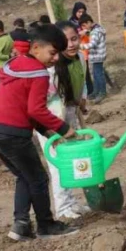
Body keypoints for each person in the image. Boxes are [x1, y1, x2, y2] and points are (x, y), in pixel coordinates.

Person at [0, 24, 80, 241]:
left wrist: (48, 132)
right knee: (39, 178)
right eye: (52, 53)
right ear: (35, 49)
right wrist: (64, 129)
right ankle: (46, 225)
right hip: (14, 132)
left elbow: (26, 108)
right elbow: (36, 109)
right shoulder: (39, 73)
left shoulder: (17, 65)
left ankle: (21, 225)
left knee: (24, 176)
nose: (55, 59)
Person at [39, 22, 90, 221]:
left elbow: (83, 81)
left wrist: (82, 99)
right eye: (65, 40)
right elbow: (42, 99)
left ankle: (71, 201)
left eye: (74, 38)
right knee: (57, 163)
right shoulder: (50, 68)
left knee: (70, 161)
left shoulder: (79, 58)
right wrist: (52, 126)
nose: (71, 44)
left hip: (70, 111)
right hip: (50, 118)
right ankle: (62, 207)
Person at [81, 15, 108, 102]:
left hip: (97, 56)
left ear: (89, 22)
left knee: (99, 75)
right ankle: (96, 91)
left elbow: (92, 44)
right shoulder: (94, 30)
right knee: (96, 75)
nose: (84, 28)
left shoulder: (95, 32)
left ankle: (102, 92)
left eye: (84, 25)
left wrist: (80, 46)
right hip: (96, 56)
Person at [0, 20, 13, 87]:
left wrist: (8, 56)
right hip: (8, 65)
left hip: (0, 66)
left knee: (3, 86)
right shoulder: (9, 37)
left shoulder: (0, 40)